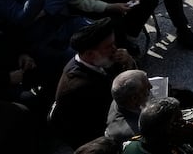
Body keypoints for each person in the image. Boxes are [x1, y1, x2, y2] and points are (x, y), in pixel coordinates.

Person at [50, 17, 135, 145]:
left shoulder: (102, 58)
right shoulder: (79, 86)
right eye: (108, 46)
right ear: (90, 54)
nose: (115, 49)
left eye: (113, 43)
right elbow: (118, 106)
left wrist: (129, 63)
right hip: (97, 137)